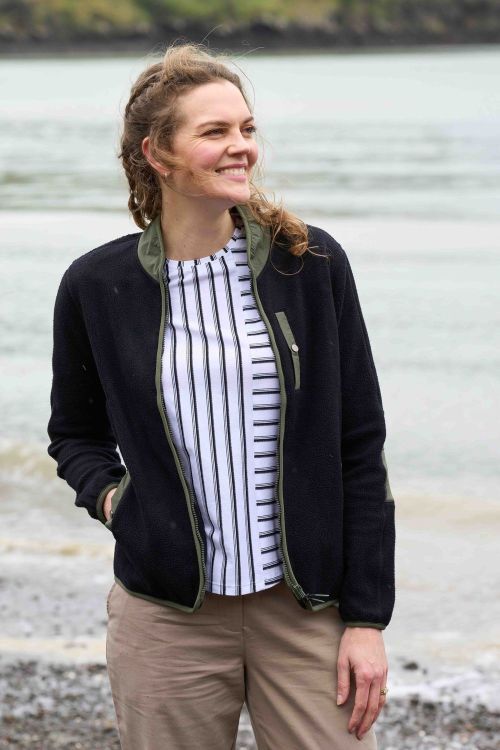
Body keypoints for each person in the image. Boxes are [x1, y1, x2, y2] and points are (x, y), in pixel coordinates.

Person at [47, 41, 396, 750]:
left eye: (247, 128)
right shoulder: (97, 286)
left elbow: (360, 446)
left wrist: (367, 618)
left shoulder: (311, 265)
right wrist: (115, 501)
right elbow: (74, 434)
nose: (242, 147)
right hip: (165, 616)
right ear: (157, 154)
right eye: (215, 132)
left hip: (305, 609)